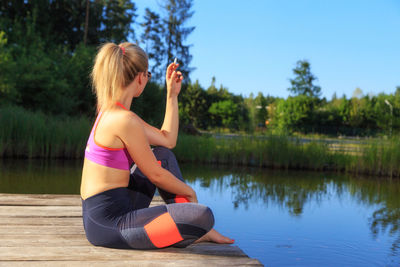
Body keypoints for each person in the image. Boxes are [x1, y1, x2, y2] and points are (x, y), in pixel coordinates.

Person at [80, 42, 234, 249]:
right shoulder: (124, 120)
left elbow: (167, 140)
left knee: (163, 155)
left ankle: (190, 229)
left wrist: (172, 95)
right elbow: (156, 175)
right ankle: (192, 229)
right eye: (148, 74)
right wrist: (189, 193)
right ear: (141, 78)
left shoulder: (113, 114)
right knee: (202, 216)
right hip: (109, 226)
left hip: (113, 211)